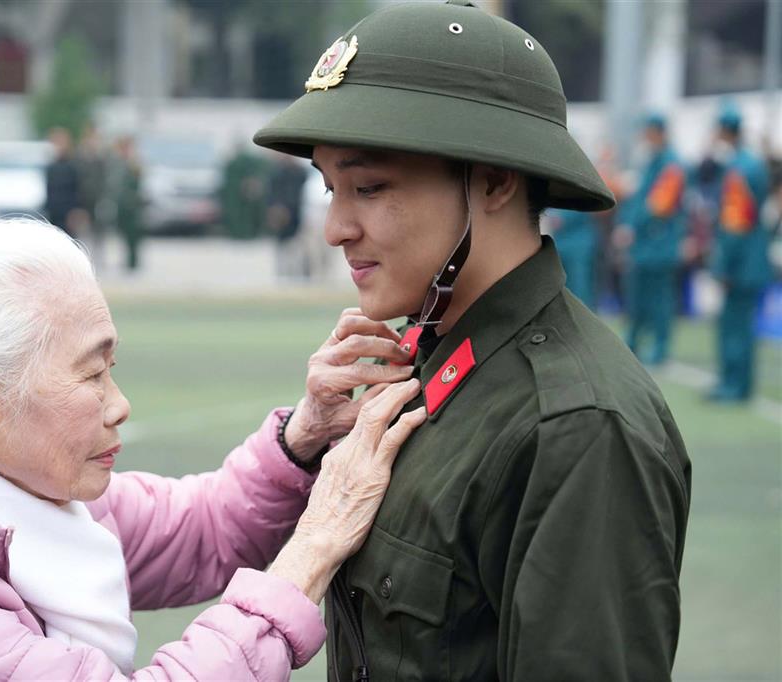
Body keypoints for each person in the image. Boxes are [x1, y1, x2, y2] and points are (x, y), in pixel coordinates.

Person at [253, 1, 691, 680]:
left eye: (368, 186)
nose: (336, 226)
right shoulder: (429, 359)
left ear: (492, 179)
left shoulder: (576, 429)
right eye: (331, 187)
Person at [0, 219, 428, 679]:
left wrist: (304, 436)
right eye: (91, 375)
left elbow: (202, 528)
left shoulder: (25, 498)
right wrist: (312, 551)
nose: (118, 404)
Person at [705, 105, 773, 401]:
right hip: (753, 257)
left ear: (724, 130)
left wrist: (725, 265)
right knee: (743, 325)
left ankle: (733, 386)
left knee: (733, 326)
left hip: (741, 261)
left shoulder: (738, 170)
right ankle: (740, 384)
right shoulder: (751, 163)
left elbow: (735, 223)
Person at [616, 113, 687, 365]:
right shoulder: (650, 161)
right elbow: (636, 199)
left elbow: (659, 205)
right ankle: (634, 340)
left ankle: (660, 346)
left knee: (659, 299)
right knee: (637, 295)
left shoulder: (671, 164)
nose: (644, 137)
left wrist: (632, 227)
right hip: (643, 246)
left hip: (659, 245)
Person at [99, 136, 145, 272]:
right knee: (123, 233)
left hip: (133, 207)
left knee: (133, 235)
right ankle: (128, 260)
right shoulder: (117, 164)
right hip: (121, 206)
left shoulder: (134, 164)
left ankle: (133, 261)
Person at [265, 152, 309, 278]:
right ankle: (283, 273)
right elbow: (271, 194)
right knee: (281, 245)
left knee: (296, 244)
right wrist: (274, 209)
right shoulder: (276, 172)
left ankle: (296, 272)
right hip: (281, 214)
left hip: (296, 214)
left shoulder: (299, 172)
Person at [548, 208, 599, 309]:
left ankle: (583, 315)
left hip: (578, 245)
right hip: (560, 243)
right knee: (562, 285)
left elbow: (558, 221)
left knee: (579, 285)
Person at [219, 141, 269, 240]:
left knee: (247, 214)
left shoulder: (243, 163)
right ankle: (242, 233)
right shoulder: (234, 164)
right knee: (240, 214)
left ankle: (245, 233)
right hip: (235, 195)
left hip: (242, 194)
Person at [77, 122, 109, 267]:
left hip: (98, 198)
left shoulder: (102, 156)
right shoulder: (81, 156)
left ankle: (98, 258)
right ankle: (81, 257)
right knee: (81, 230)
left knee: (98, 230)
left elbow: (106, 177)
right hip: (83, 199)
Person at [44, 127, 82, 237]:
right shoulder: (51, 166)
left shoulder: (72, 166)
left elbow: (77, 190)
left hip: (68, 214)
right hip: (53, 213)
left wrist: (76, 211)